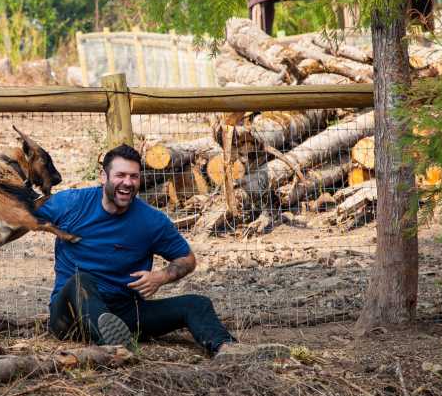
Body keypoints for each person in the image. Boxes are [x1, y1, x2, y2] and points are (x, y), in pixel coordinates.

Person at [35, 144, 289, 360]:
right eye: (120, 175)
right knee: (82, 280)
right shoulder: (70, 204)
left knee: (196, 304)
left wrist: (161, 277)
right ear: (104, 177)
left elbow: (187, 259)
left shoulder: (151, 221)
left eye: (134, 177)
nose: (127, 183)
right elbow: (22, 214)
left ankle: (228, 348)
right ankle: (115, 348)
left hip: (124, 314)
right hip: (70, 316)